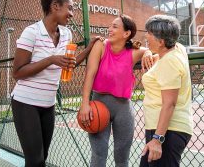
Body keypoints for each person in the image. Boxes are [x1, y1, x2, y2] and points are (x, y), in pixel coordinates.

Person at [11, 0, 101, 167]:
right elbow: (17, 72)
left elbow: (69, 63)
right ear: (55, 6)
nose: (72, 13)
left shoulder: (66, 34)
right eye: (70, 8)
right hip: (25, 103)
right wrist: (50, 59)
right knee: (34, 161)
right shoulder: (32, 32)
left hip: (48, 104)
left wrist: (88, 48)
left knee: (43, 158)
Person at [79, 14, 155, 167]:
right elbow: (90, 74)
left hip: (123, 108)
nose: (109, 29)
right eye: (110, 26)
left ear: (126, 34)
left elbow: (148, 50)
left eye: (115, 26)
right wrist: (84, 104)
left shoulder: (133, 52)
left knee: (122, 157)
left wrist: (147, 53)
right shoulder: (100, 45)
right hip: (98, 104)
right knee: (99, 154)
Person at [140, 15, 193, 167]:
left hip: (167, 130)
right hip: (164, 128)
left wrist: (157, 139)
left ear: (161, 41)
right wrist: (149, 52)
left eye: (149, 33)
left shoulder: (169, 62)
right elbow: (174, 47)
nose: (146, 35)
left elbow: (169, 103)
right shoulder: (177, 50)